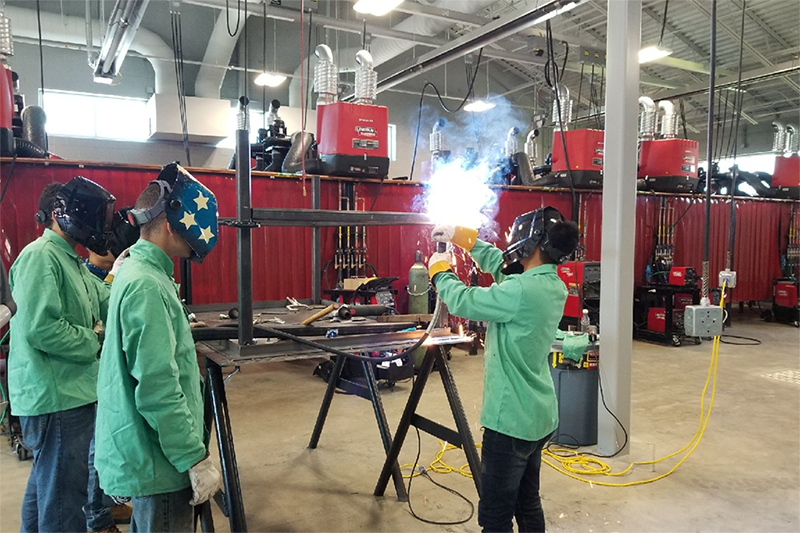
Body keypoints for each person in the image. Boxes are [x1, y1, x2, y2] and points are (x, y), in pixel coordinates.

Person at [429, 206, 580, 533]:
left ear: (533, 243)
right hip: (537, 417)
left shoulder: (521, 291)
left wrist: (440, 271)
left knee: (495, 515)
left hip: (509, 421)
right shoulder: (550, 284)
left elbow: (463, 300)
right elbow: (501, 266)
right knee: (528, 502)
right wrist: (461, 236)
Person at [95, 162, 222, 533]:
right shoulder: (146, 285)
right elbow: (156, 387)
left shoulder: (139, 272)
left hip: (152, 456)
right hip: (160, 464)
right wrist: (193, 459)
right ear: (171, 224)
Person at [8, 178, 116, 533]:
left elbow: (104, 299)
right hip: (56, 397)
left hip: (69, 393)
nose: (99, 226)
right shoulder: (41, 257)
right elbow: (42, 329)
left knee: (45, 488)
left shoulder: (71, 261)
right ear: (60, 213)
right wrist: (93, 339)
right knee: (65, 498)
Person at [82, 207, 140, 533]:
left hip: (108, 373)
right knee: (97, 449)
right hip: (93, 377)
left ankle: (108, 504)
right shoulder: (92, 278)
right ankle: (97, 517)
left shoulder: (104, 276)